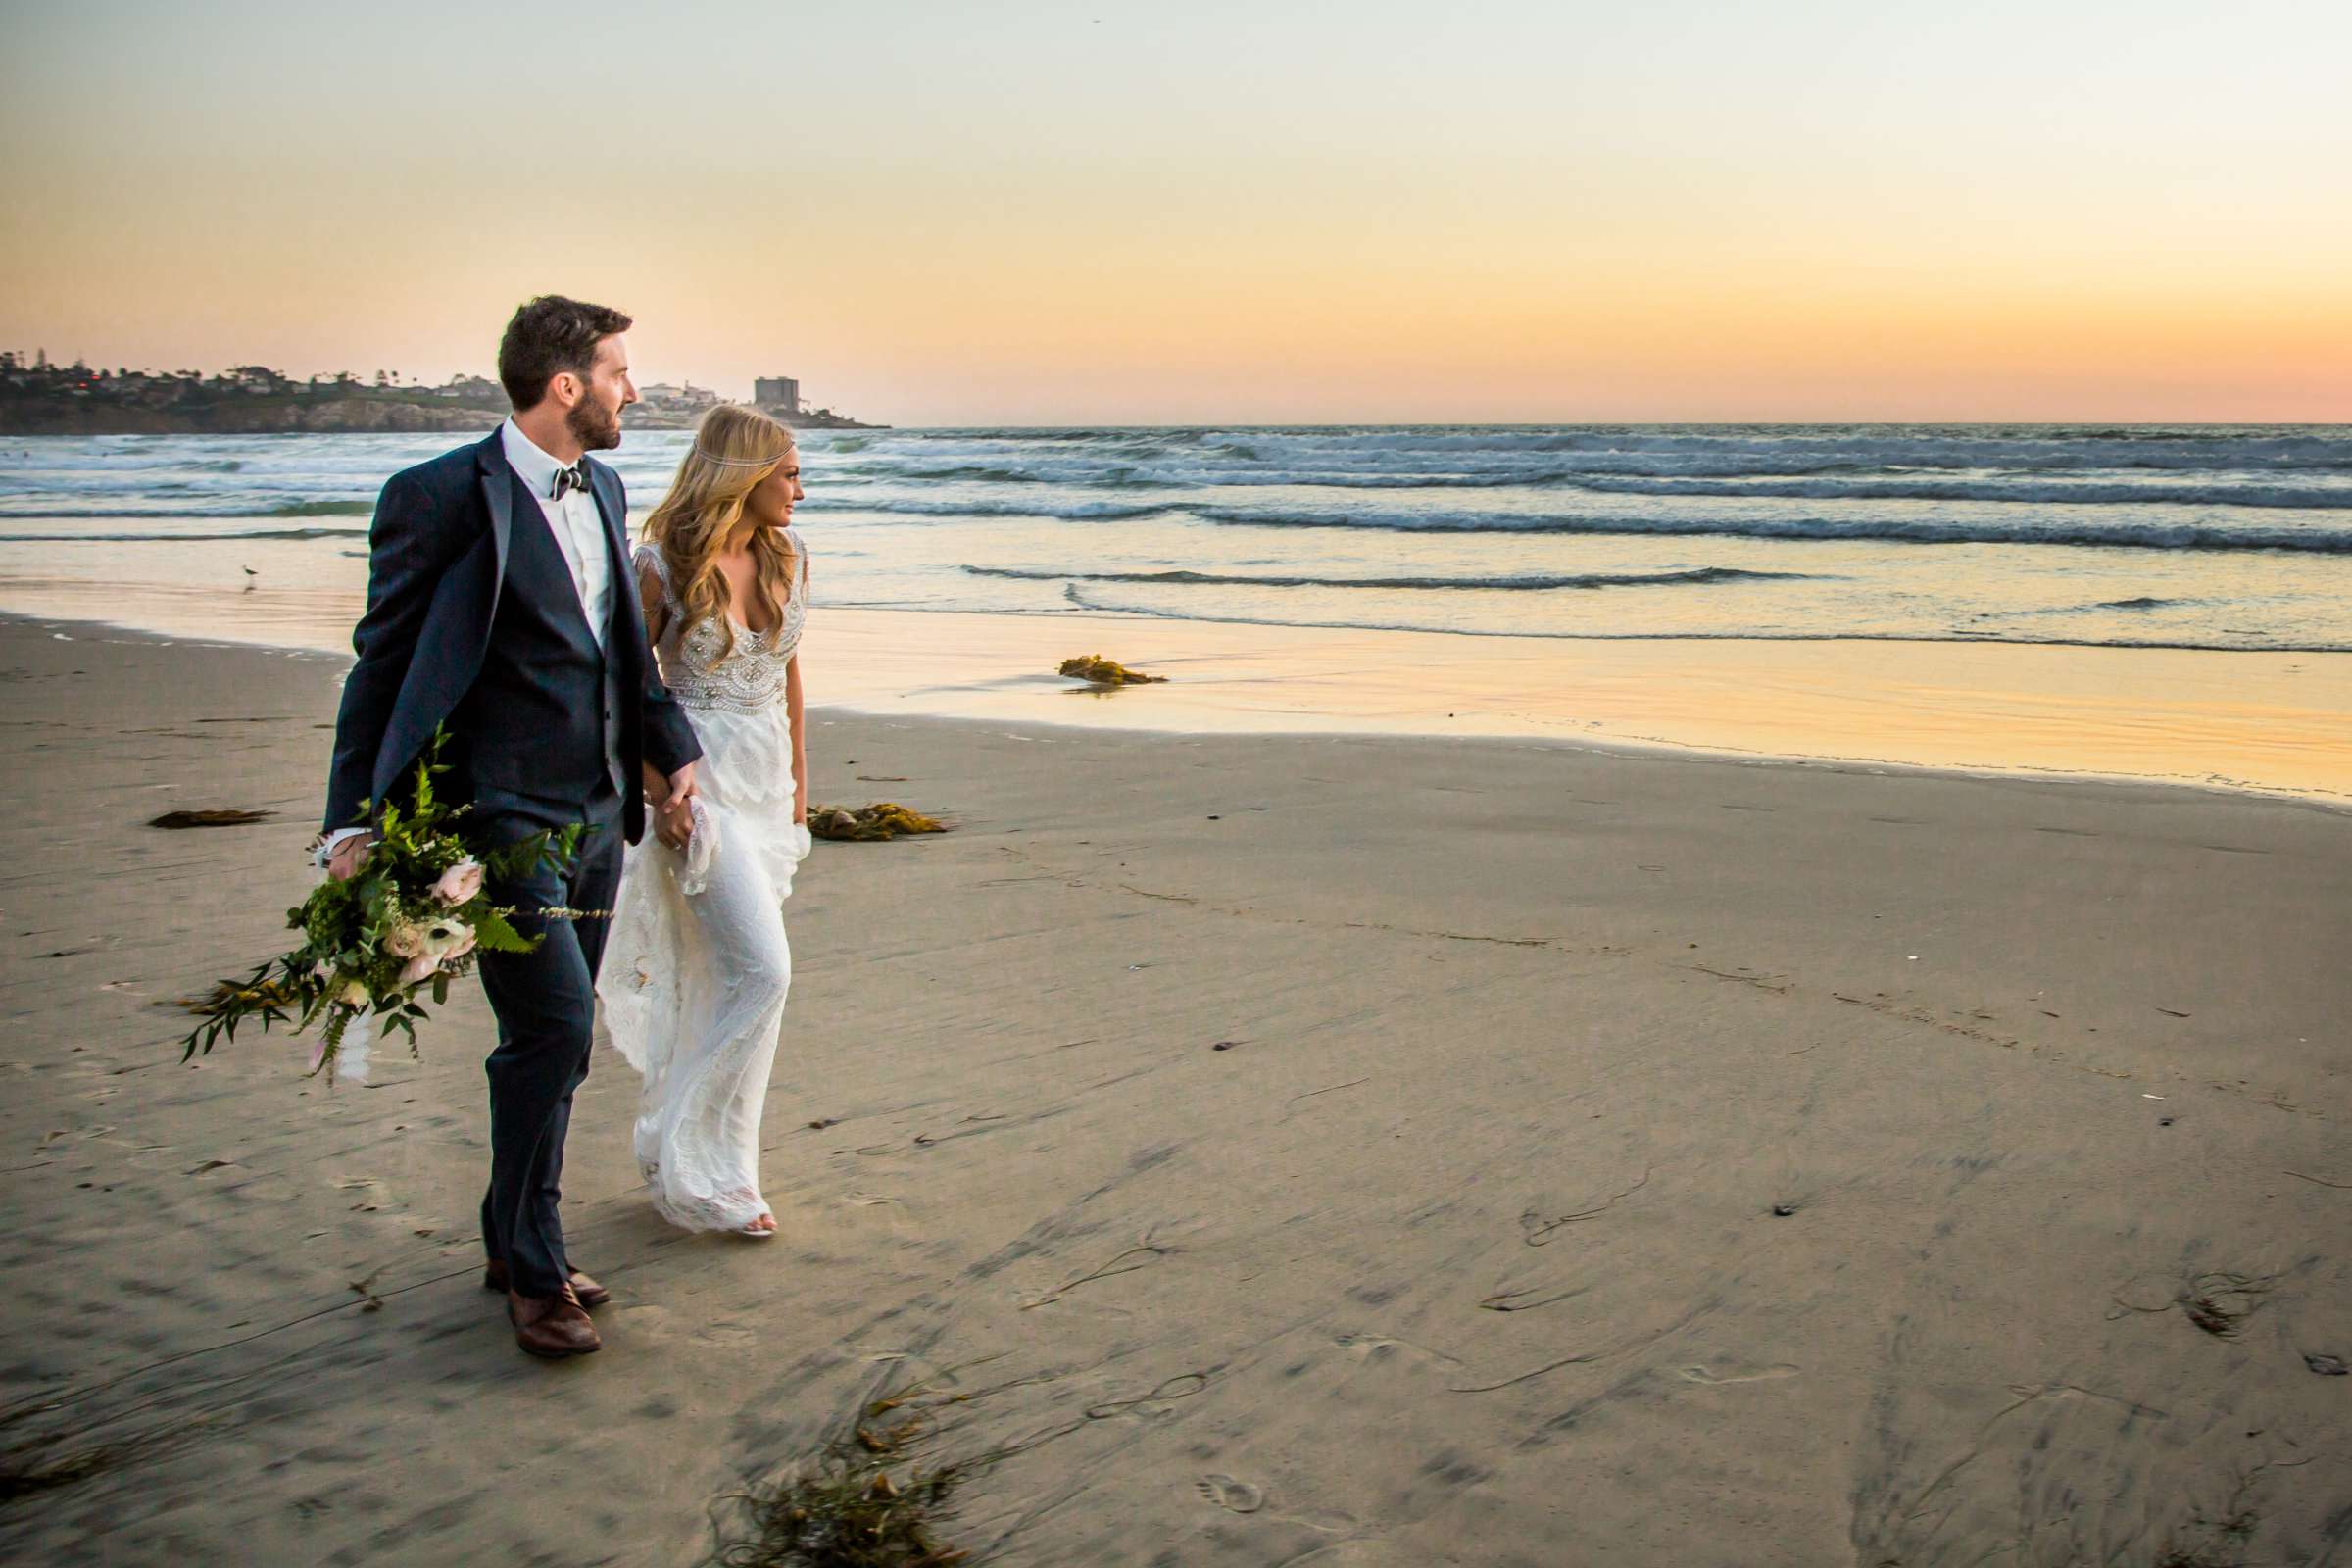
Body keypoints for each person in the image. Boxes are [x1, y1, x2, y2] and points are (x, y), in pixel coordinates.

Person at [318, 295, 703, 1359]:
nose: (635, 388)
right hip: (498, 819)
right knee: (553, 1029)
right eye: (620, 371)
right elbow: (382, 661)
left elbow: (626, 650)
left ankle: (508, 1231)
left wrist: (677, 757)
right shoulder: (438, 496)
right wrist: (350, 817)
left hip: (594, 814)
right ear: (567, 384)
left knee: (554, 1042)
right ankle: (534, 1273)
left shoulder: (609, 486)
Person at [597, 404, 812, 1238]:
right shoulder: (662, 564)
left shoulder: (788, 556)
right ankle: (694, 1157)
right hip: (698, 788)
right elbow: (623, 684)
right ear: (745, 475)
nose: (800, 489)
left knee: (729, 976)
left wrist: (800, 780)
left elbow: (790, 675)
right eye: (788, 473)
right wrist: (663, 791)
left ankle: (716, 1164)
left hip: (763, 788)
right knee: (765, 973)